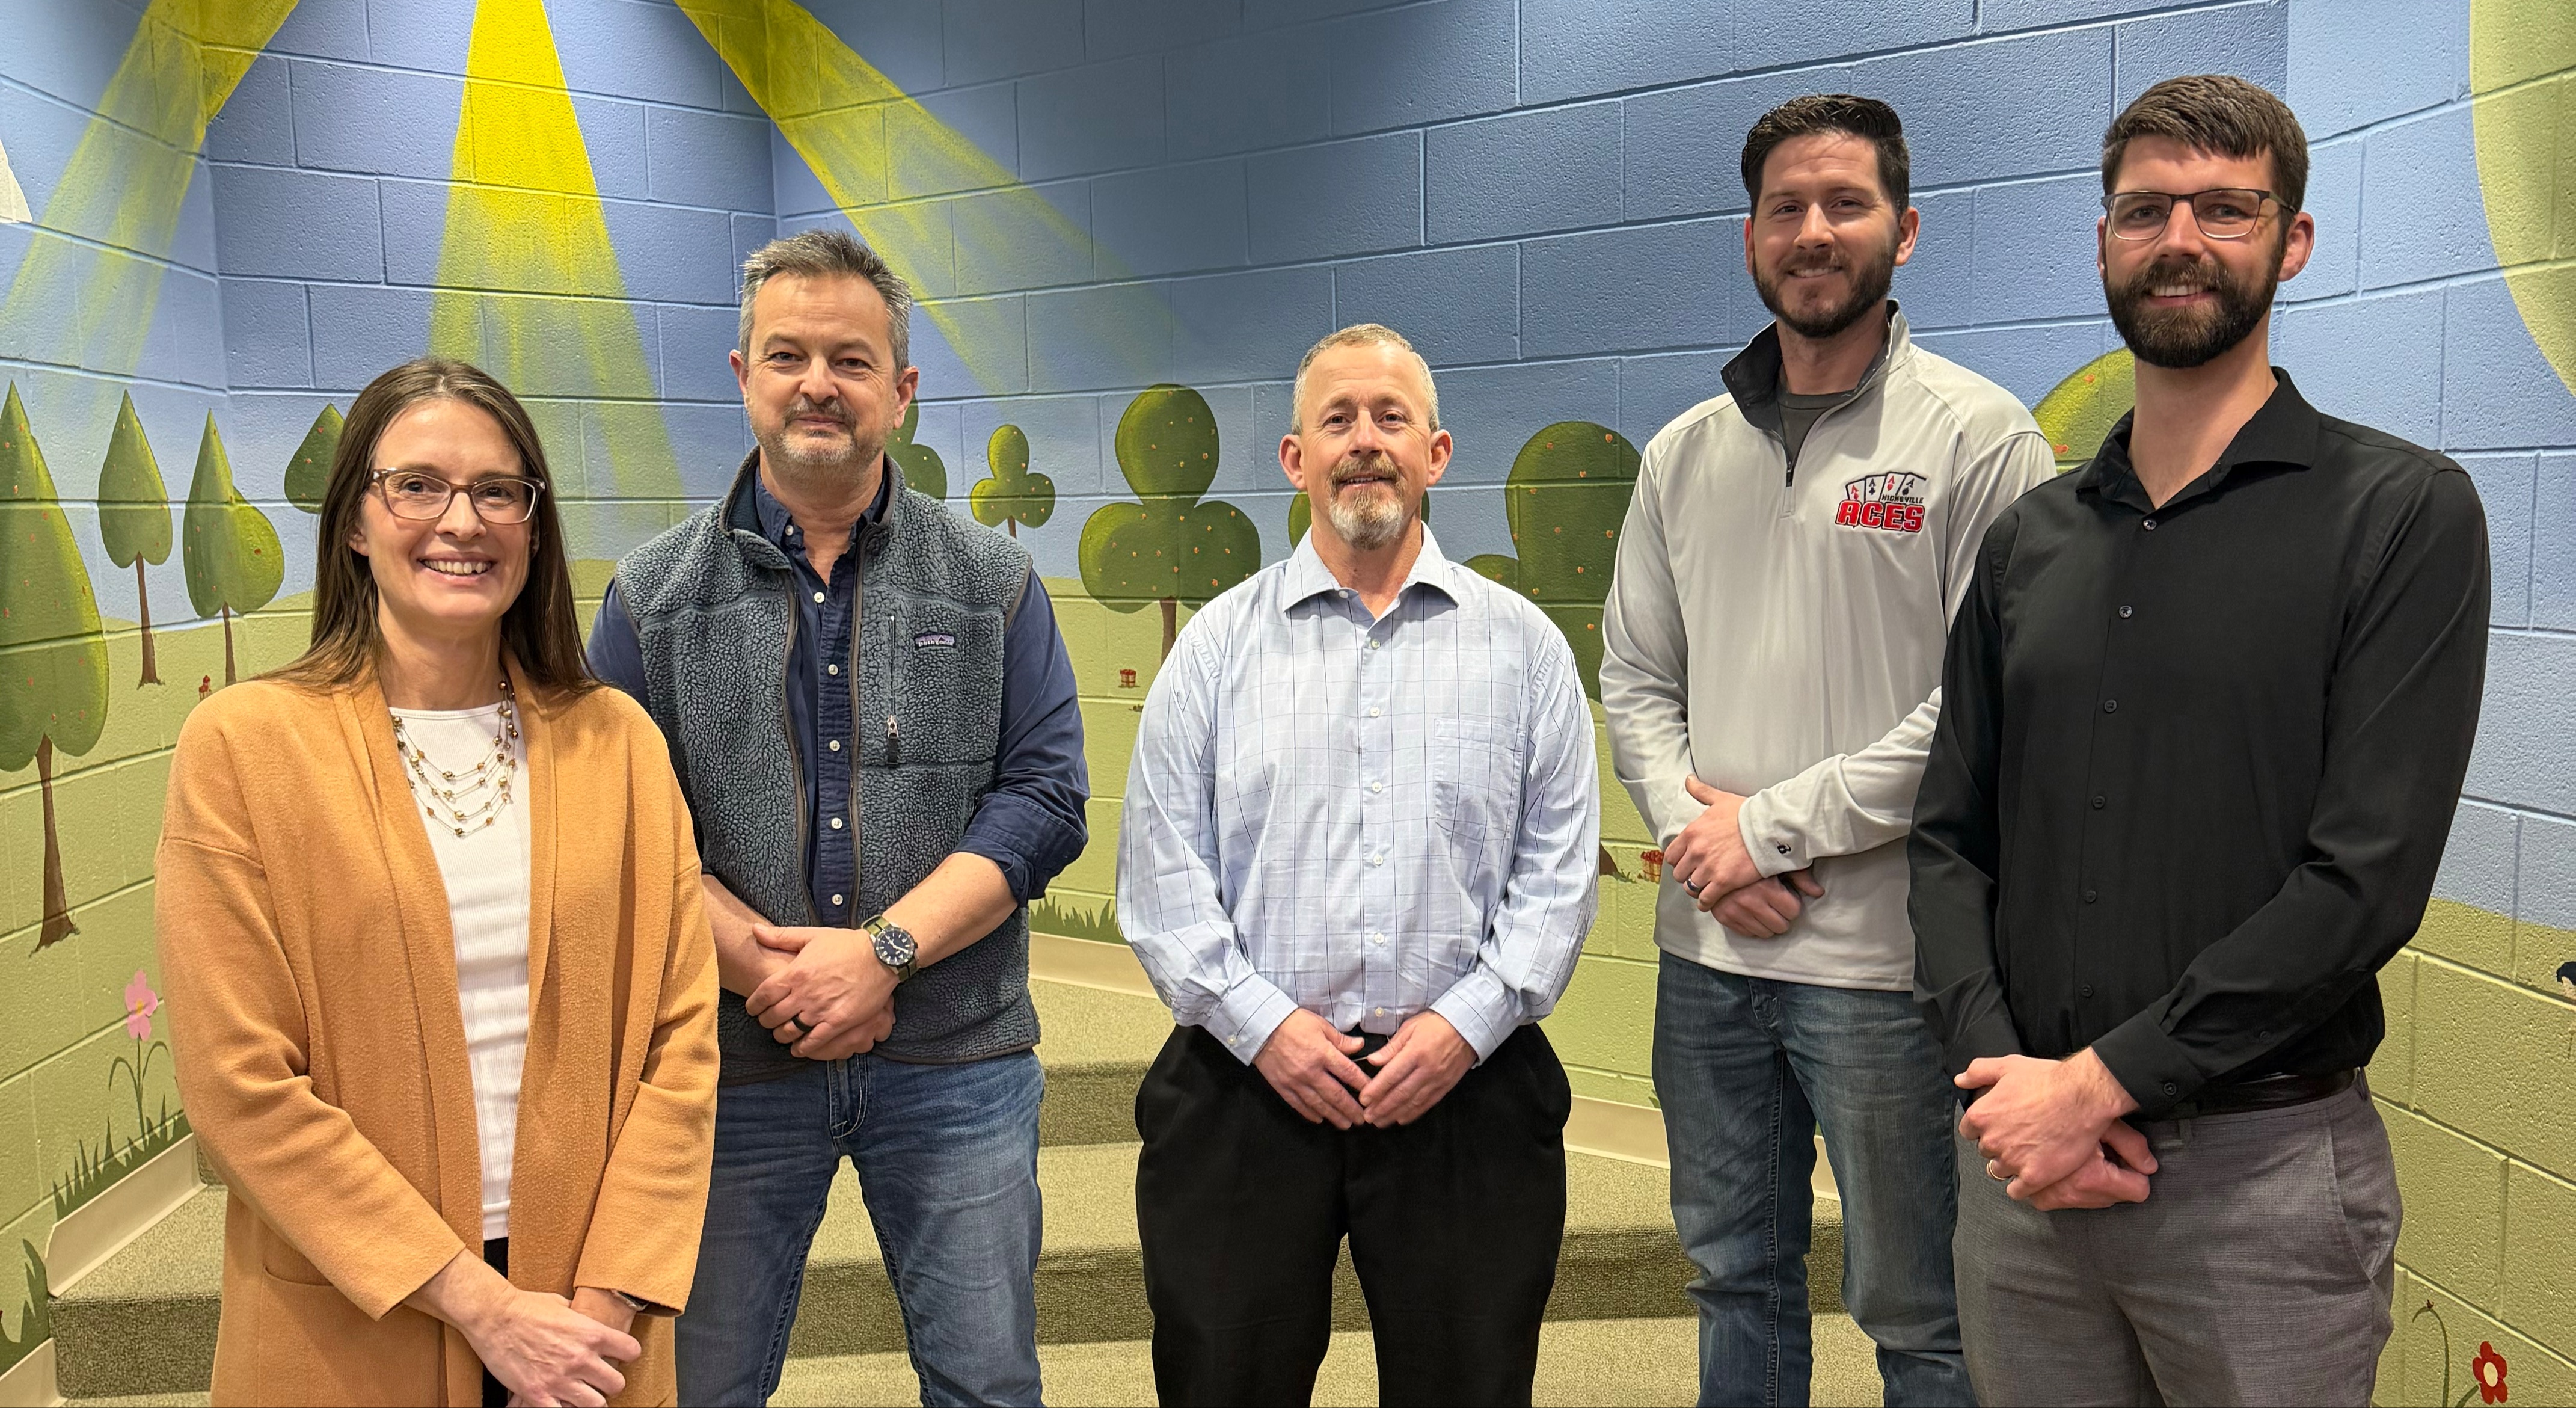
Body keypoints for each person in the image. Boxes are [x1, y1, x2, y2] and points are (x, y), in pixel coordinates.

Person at [1910, 74, 2489, 1406]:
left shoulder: (2400, 514)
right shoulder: (2029, 540)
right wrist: (2009, 1081)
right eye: (2145, 208)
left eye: (2226, 208)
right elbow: (1948, 838)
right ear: (2105, 239)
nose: (2181, 239)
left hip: (2261, 1188)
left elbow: (2366, 878)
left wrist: (2102, 1082)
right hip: (2022, 1177)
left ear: (2289, 242)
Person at [1598, 95, 2052, 1408]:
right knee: (1734, 1275)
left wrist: (1767, 829)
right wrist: (1707, 843)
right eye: (1785, 207)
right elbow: (1635, 675)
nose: (1814, 231)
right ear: (1749, 236)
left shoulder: (1978, 438)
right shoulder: (1684, 454)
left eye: (1845, 204)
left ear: (1905, 232)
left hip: (1887, 972)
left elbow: (1982, 704)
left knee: (1919, 1311)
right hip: (1709, 960)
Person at [587, 228, 1088, 1408]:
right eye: (789, 354)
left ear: (902, 394)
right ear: (744, 375)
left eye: (853, 360)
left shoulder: (993, 584)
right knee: (698, 1392)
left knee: (986, 1388)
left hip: (956, 1059)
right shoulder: (647, 599)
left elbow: (1045, 797)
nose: (819, 382)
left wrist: (882, 954)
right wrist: (771, 974)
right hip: (726, 1066)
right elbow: (619, 826)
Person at [157, 357, 720, 1408]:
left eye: (498, 491)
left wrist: (600, 1305)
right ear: (357, 523)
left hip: (590, 1310)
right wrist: (482, 1307)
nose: (460, 520)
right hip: (358, 1303)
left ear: (535, 527)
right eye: (416, 485)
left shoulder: (622, 745)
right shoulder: (242, 747)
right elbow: (239, 1082)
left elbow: (679, 1044)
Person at [1118, 322, 1601, 1408]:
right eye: (1337, 419)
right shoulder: (1217, 647)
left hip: (1467, 1093)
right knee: (1222, 1383)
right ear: (1296, 459)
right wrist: (1263, 1027)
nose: (1365, 441)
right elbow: (1160, 874)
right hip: (1246, 1086)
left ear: (1437, 452)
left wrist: (1467, 1024)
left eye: (1391, 418)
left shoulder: (1525, 650)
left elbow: (1559, 880)